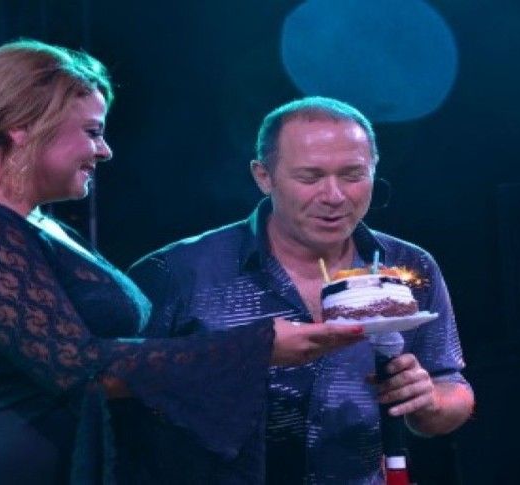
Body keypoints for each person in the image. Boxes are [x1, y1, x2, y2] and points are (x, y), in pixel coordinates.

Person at [0, 43, 365, 484]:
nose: (104, 151)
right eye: (92, 132)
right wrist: (255, 347)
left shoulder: (35, 224)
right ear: (22, 128)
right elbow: (77, 367)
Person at [126, 96, 475, 483]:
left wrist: (430, 401)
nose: (334, 196)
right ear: (263, 176)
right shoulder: (178, 273)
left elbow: (452, 385)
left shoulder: (409, 265)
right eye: (310, 178)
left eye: (353, 175)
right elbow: (111, 390)